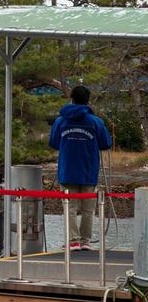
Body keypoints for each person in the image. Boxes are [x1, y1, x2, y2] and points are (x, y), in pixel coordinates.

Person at [49, 85, 112, 251]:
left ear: (72, 99)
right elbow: (106, 143)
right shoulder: (95, 122)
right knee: (88, 210)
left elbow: (54, 143)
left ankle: (73, 241)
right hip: (88, 171)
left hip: (67, 171)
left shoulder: (60, 121)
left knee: (70, 208)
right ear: (88, 101)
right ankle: (85, 241)